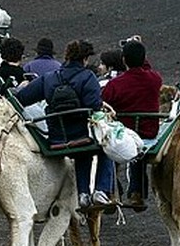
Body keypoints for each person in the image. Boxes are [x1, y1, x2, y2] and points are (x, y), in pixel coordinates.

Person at [16, 40, 113, 213]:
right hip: (83, 137)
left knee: (83, 152)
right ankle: (100, 190)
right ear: (84, 59)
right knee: (106, 148)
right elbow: (94, 106)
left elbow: (22, 99)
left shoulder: (50, 77)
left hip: (57, 138)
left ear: (67, 56)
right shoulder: (88, 77)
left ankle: (83, 195)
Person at [101, 38, 162, 211]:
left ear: (124, 60)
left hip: (124, 134)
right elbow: (147, 70)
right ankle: (137, 193)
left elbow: (103, 101)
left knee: (108, 150)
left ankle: (111, 191)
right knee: (139, 153)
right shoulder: (154, 79)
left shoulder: (115, 85)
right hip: (148, 132)